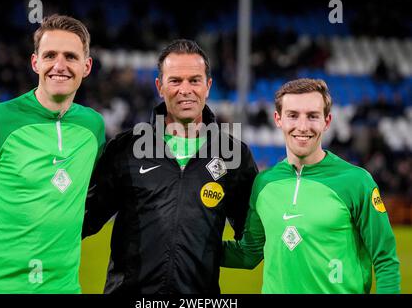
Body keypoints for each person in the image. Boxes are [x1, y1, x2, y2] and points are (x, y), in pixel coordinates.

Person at [82, 39, 258, 294]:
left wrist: (205, 251)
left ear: (208, 86)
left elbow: (252, 243)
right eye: (175, 81)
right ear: (160, 86)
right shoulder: (125, 149)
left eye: (194, 80)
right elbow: (83, 220)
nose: (185, 89)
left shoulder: (235, 156)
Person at [0, 14, 105, 293]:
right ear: (35, 62)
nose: (59, 66)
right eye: (50, 55)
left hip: (63, 288)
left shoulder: (93, 126)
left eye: (70, 57)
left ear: (86, 66)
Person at [221, 78, 401, 294]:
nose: (303, 126)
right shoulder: (264, 183)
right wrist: (189, 246)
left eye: (313, 116)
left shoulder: (356, 181)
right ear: (278, 119)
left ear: (327, 121)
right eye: (293, 115)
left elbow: (385, 260)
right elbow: (248, 254)